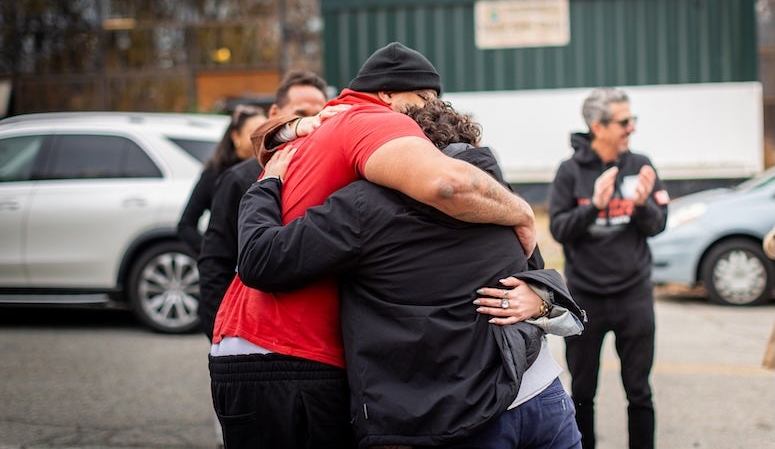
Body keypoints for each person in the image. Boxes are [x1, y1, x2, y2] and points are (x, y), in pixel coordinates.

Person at [209, 42, 537, 448]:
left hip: (249, 347)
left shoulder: (327, 124)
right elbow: (449, 184)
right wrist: (522, 213)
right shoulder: (381, 122)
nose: (427, 112)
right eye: (424, 97)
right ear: (387, 95)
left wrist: (292, 128)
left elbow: (262, 137)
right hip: (293, 352)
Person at [547, 87, 669, 449]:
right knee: (583, 392)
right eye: (624, 121)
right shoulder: (570, 172)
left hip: (634, 298)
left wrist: (643, 204)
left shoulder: (640, 164)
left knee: (640, 392)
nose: (631, 127)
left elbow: (658, 223)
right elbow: (559, 229)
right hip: (587, 301)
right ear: (598, 127)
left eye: (633, 120)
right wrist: (594, 207)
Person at [197, 69, 329, 341]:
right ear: (274, 115)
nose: (313, 122)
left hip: (311, 337)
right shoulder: (239, 178)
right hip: (251, 334)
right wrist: (218, 333)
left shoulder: (331, 173)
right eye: (301, 112)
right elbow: (215, 262)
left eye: (320, 113)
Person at [177, 105, 267, 257]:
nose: (263, 139)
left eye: (267, 132)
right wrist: (212, 253)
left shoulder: (274, 168)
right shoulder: (215, 174)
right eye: (255, 133)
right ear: (235, 136)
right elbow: (186, 225)